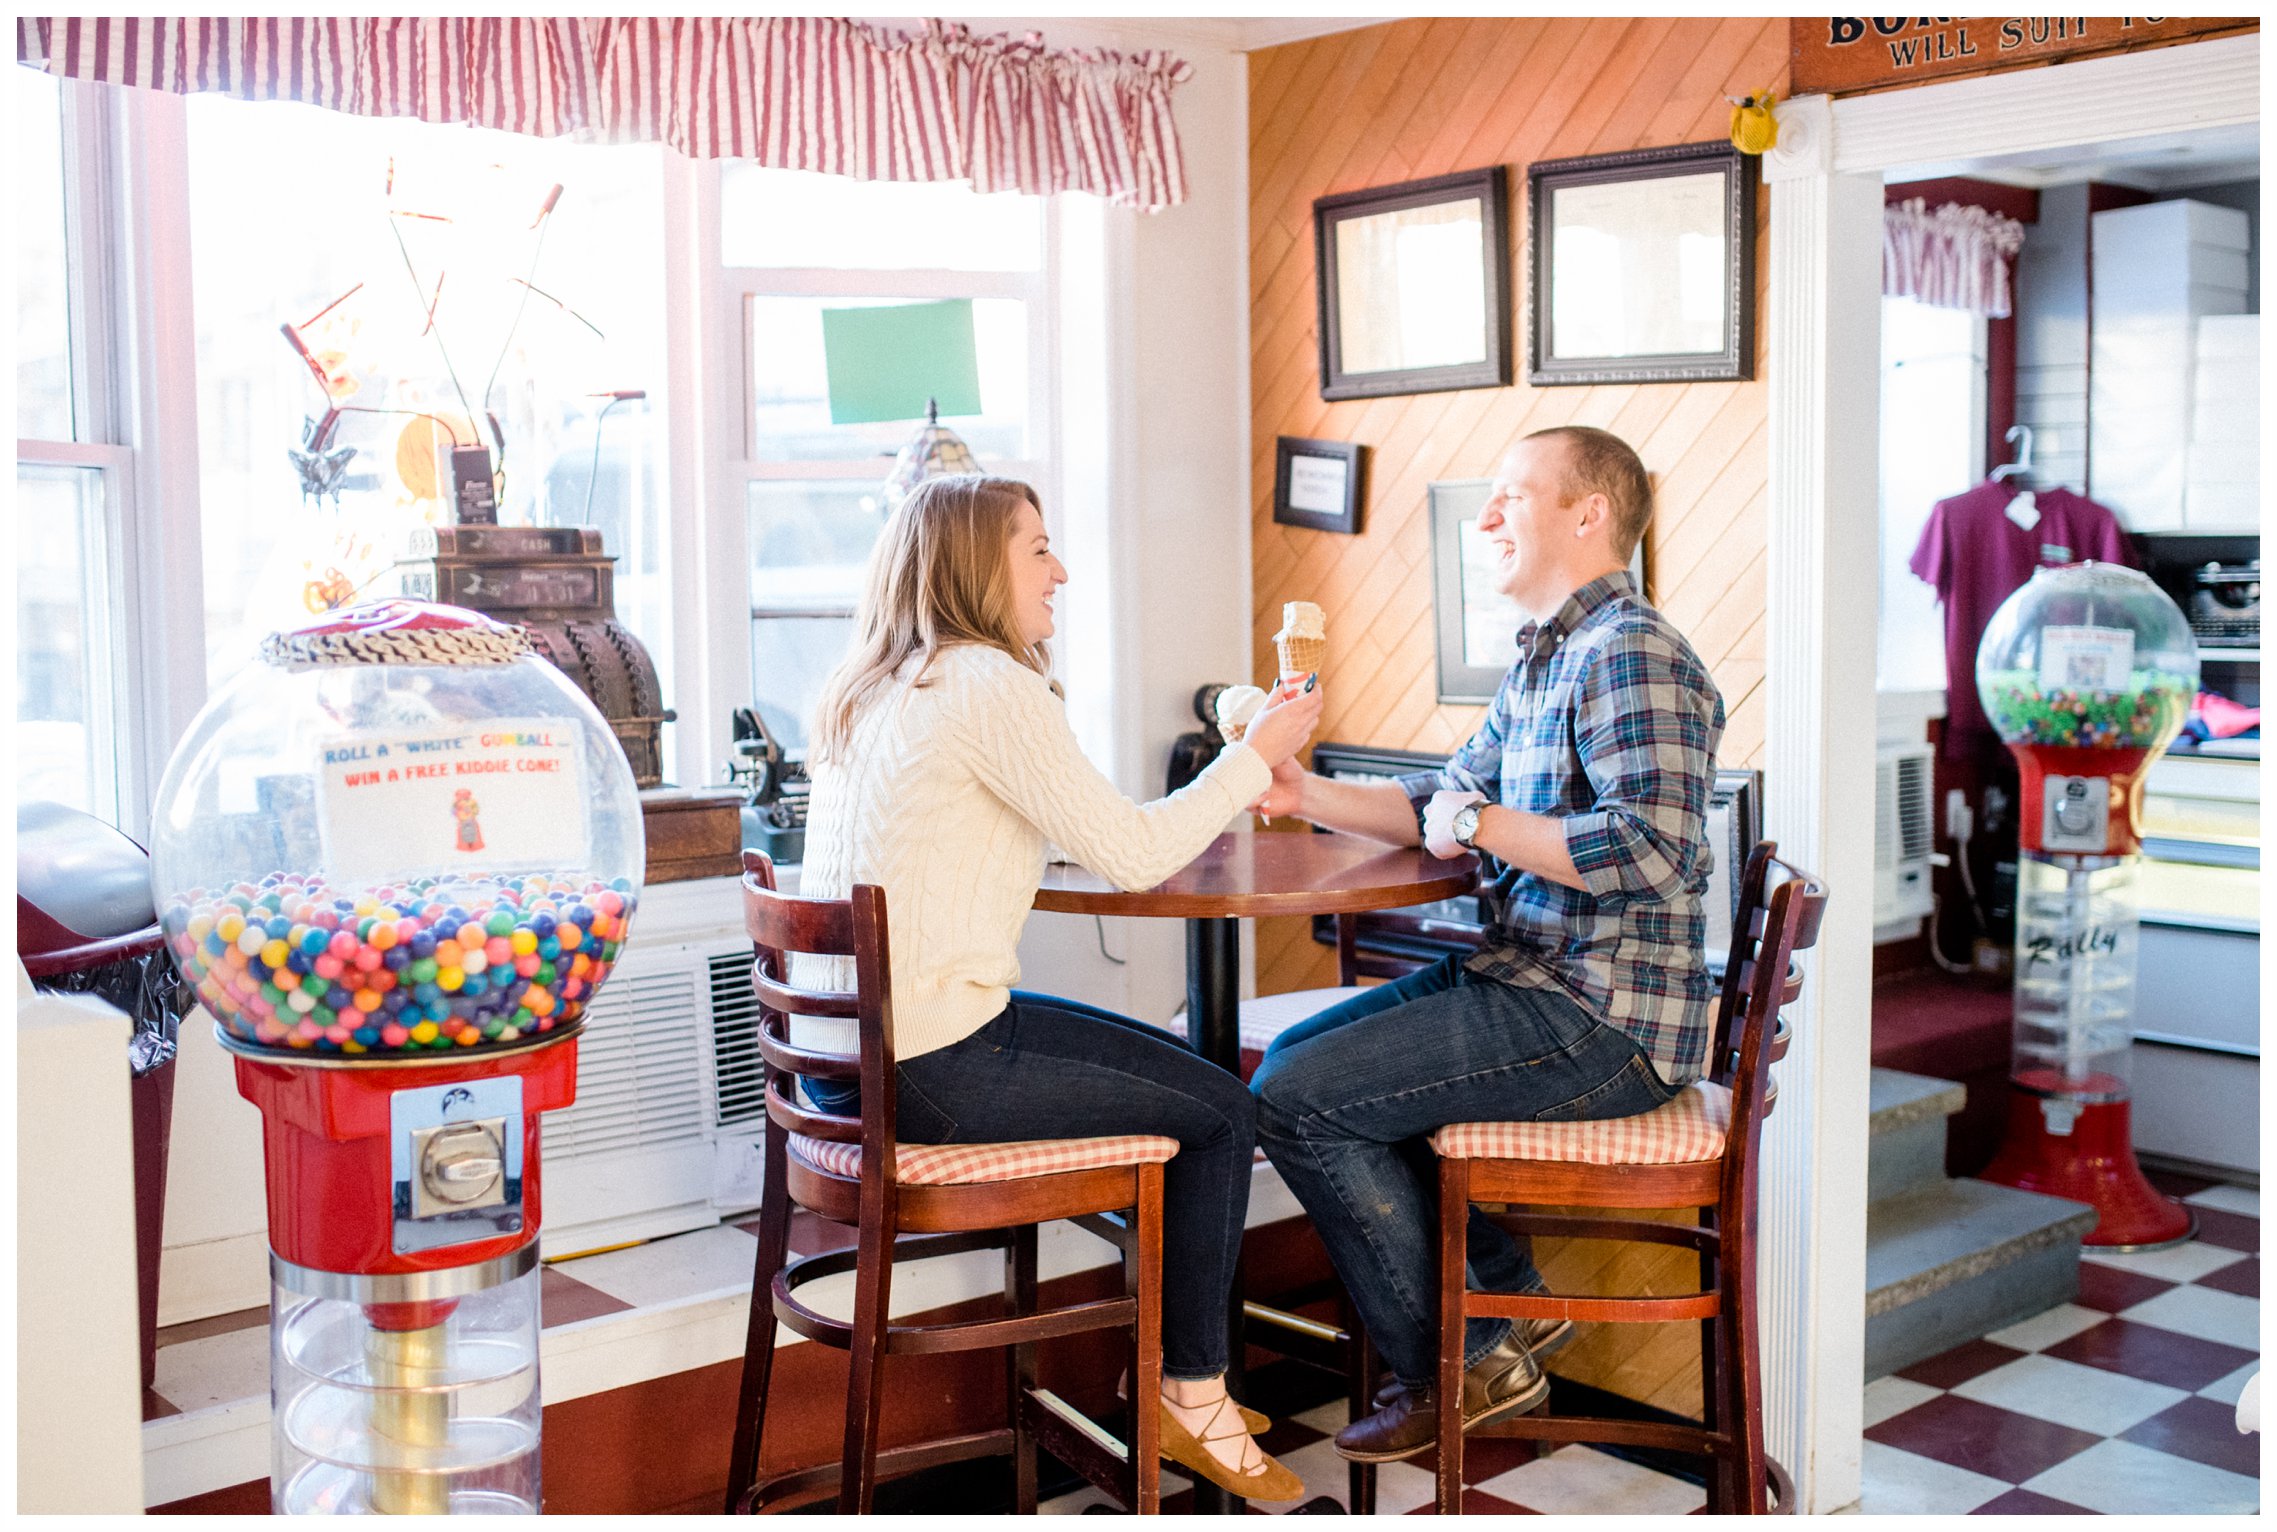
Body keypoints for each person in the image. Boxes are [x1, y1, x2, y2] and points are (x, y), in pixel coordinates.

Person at [794, 474, 1323, 1502]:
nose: (1062, 570)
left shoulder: (882, 685)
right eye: (1037, 547)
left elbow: (984, 837)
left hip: (847, 1069)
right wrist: (1253, 758)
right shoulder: (989, 683)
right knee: (1219, 1105)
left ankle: (1177, 1374)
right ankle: (1191, 1394)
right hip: (934, 1064)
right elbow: (1132, 853)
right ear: (973, 565)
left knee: (1183, 1078)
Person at [1248, 426, 1725, 1464]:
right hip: (1535, 981)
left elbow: (1653, 848)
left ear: (1588, 513)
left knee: (1300, 1095)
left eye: (1512, 495)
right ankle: (1502, 1312)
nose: (1489, 516)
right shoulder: (1551, 655)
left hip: (1603, 1017)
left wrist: (1476, 827)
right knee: (1292, 1072)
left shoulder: (1629, 650)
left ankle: (1473, 1352)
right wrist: (1304, 792)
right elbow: (1440, 797)